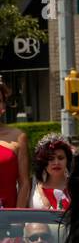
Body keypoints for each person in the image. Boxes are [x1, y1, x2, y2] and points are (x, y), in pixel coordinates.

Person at [0, 80, 31, 208]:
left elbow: (24, 183)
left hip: (8, 218)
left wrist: (18, 218)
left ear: (3, 107)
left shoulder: (18, 137)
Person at [30, 133, 73, 210]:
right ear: (43, 162)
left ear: (67, 160)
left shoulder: (77, 186)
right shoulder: (31, 186)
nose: (56, 162)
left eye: (60, 158)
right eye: (51, 159)